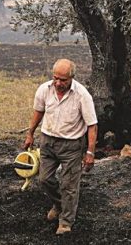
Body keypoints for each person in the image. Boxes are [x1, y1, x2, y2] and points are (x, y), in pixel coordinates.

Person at [23, 59, 98, 235]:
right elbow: (38, 112)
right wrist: (30, 133)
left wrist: (90, 152)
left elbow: (92, 125)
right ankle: (59, 204)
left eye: (63, 80)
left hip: (72, 145)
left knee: (69, 185)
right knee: (44, 179)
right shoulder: (44, 89)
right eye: (55, 78)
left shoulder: (82, 95)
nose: (58, 83)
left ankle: (65, 221)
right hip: (48, 141)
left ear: (72, 77)